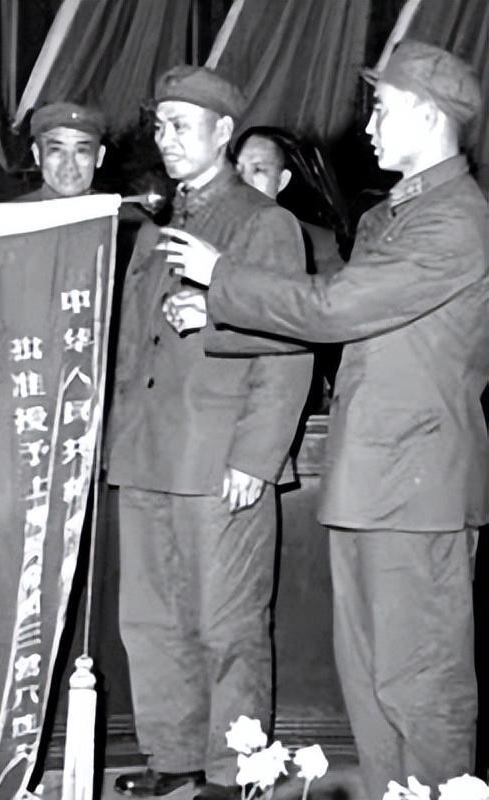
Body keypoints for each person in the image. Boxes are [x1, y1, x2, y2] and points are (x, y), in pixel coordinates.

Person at [162, 40, 488, 798]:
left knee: (420, 683)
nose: (367, 126)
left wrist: (222, 277)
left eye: (382, 109)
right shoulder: (391, 218)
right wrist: (216, 317)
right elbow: (335, 321)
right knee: (371, 683)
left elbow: (337, 306)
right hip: (373, 479)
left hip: (417, 486)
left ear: (429, 115)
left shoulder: (456, 221)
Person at [105, 66, 313, 800]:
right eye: (160, 125)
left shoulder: (264, 224)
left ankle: (233, 771)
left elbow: (289, 350)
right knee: (151, 621)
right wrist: (118, 447)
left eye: (182, 125)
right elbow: (132, 350)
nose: (166, 139)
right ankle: (175, 757)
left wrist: (256, 457)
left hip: (219, 457)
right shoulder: (155, 228)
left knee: (228, 626)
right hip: (148, 455)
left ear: (224, 132)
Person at [234, 128, 343, 276]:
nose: (243, 180)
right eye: (238, 169)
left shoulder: (321, 246)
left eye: (258, 170)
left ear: (282, 180)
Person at [15, 102, 107, 200]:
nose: (69, 164)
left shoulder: (113, 207)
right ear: (37, 154)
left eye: (81, 151)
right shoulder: (15, 209)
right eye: (56, 150)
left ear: (99, 156)